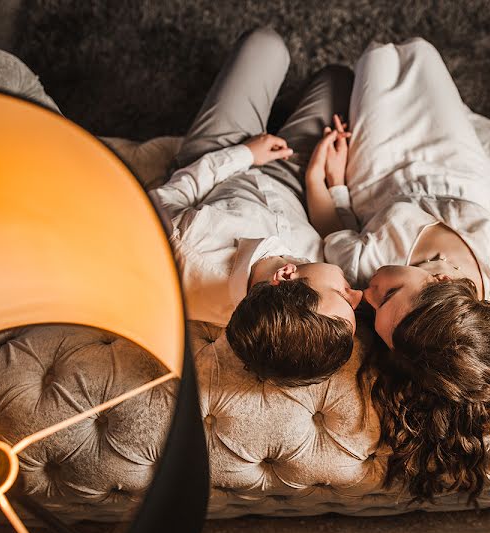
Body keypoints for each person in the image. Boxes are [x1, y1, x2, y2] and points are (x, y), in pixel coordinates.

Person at [315, 39, 490, 503]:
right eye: (388, 295)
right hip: (460, 170)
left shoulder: (362, 265)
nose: (366, 296)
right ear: (441, 283)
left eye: (375, 312)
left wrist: (334, 183)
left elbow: (330, 226)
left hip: (378, 172)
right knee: (422, 52)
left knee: (378, 56)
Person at [149, 27, 364, 387]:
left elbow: (165, 198)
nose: (356, 292)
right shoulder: (316, 305)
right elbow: (335, 232)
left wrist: (245, 152)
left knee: (266, 43)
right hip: (296, 182)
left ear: (285, 275)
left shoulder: (185, 254)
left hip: (221, 161)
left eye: (344, 295)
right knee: (340, 78)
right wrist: (328, 179)